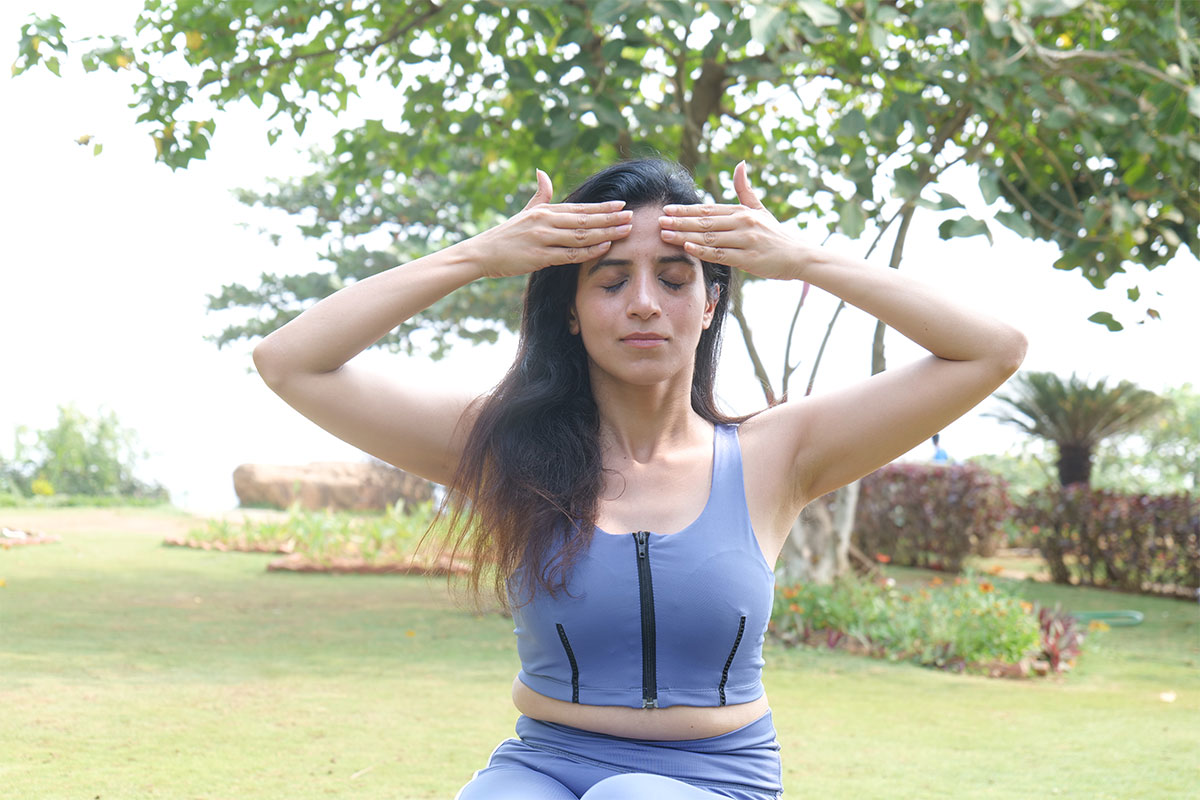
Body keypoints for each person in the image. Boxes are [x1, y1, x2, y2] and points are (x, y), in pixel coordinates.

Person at [252, 158, 1027, 799]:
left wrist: (802, 259)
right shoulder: (507, 448)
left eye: (676, 278)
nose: (645, 304)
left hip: (716, 777)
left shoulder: (777, 454)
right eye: (611, 280)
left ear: (711, 303)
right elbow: (289, 363)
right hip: (542, 766)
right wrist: (480, 255)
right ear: (571, 310)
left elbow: (992, 350)